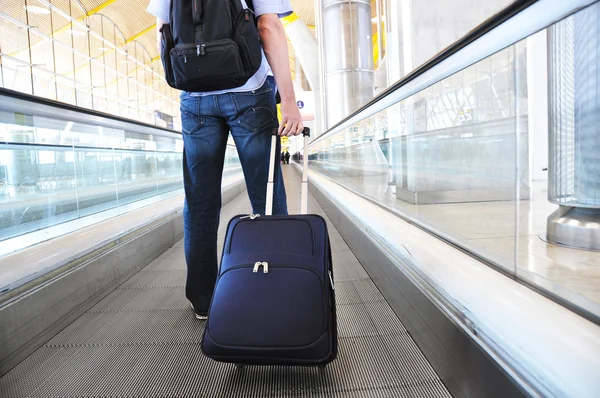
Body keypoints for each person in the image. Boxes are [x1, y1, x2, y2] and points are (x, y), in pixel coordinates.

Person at [146, 0, 304, 320]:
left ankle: (204, 300)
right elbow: (268, 26)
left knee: (200, 203)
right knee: (267, 196)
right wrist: (288, 100)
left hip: (194, 101)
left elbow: (162, 31)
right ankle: (277, 287)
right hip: (248, 93)